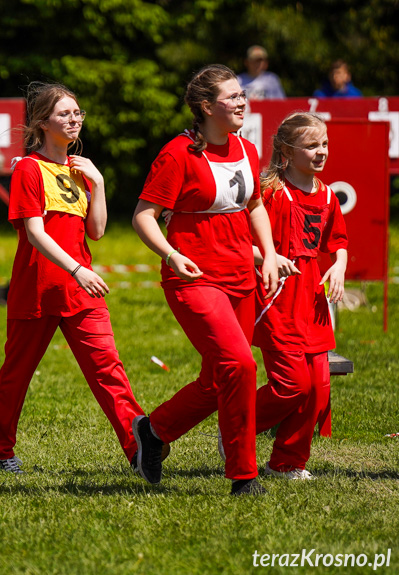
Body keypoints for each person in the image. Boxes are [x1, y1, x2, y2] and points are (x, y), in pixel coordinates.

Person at [0, 82, 150, 475]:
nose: (74, 119)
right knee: (16, 377)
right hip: (37, 290)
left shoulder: (80, 170)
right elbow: (35, 233)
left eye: (78, 113)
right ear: (42, 123)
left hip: (80, 291)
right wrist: (77, 268)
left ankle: (140, 447)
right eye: (65, 114)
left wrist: (99, 183)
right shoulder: (27, 168)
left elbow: (97, 232)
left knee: (108, 369)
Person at [131, 64, 279, 496]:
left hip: (239, 276)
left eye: (241, 95)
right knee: (241, 365)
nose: (241, 102)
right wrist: (171, 255)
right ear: (205, 106)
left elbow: (253, 206)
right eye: (231, 97)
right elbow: (143, 216)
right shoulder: (178, 154)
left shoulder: (247, 150)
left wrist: (268, 254)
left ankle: (154, 433)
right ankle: (244, 476)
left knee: (219, 379)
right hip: (194, 278)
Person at [248, 112, 348, 479]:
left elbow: (338, 241)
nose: (321, 152)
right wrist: (272, 258)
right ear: (288, 151)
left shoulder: (325, 194)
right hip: (279, 298)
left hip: (313, 301)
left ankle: (287, 462)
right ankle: (238, 429)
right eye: (311, 145)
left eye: (324, 144)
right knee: (293, 384)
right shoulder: (272, 194)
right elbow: (244, 245)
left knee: (319, 389)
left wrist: (338, 265)